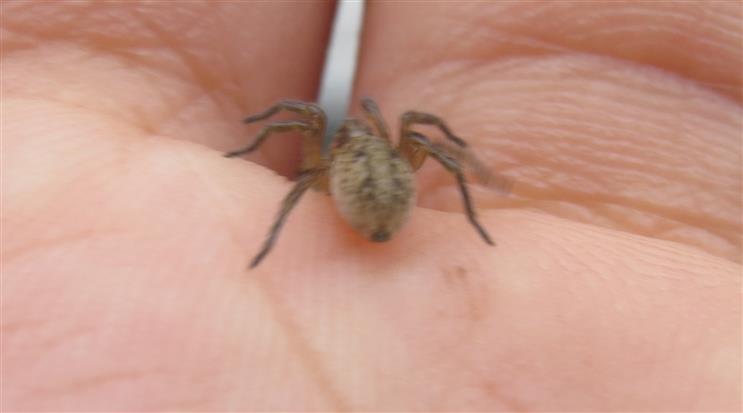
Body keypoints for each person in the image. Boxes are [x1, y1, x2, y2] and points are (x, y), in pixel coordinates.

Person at [2, 1, 740, 410]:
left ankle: (311, 231)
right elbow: (405, 136)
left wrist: (255, 141)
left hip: (365, 192)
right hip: (378, 191)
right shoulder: (372, 145)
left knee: (326, 145)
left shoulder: (332, 156)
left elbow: (310, 123)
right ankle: (446, 211)